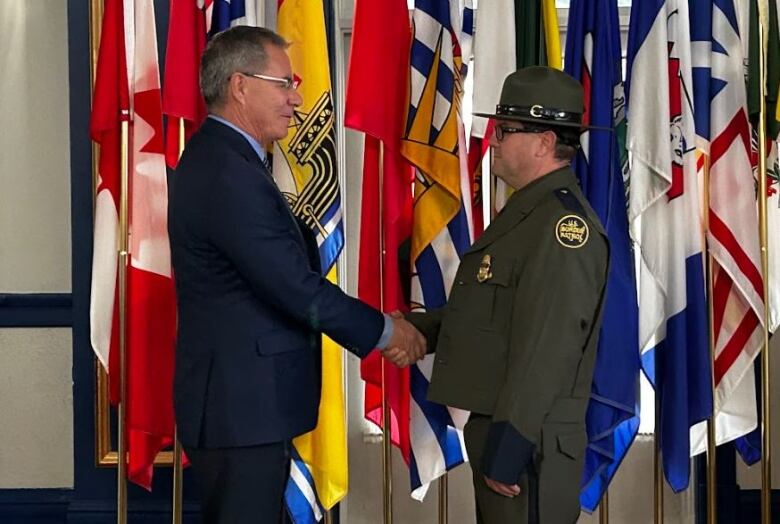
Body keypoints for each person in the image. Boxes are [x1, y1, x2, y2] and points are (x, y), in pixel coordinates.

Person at [168, 26, 425, 523]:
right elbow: (291, 285)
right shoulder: (227, 171)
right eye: (285, 83)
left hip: (246, 407)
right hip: (240, 411)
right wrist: (388, 332)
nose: (297, 98)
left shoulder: (232, 160)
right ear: (241, 86)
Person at [405, 66, 610, 524]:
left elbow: (547, 346)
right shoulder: (527, 210)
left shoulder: (561, 227)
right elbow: (495, 313)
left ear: (542, 142)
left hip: (526, 443)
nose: (492, 139)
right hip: (504, 429)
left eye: (506, 129)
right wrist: (417, 328)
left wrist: (510, 445)